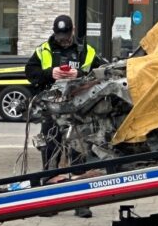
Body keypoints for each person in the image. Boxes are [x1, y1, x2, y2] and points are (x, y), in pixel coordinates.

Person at [24, 14, 104, 214]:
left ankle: (79, 204)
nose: (63, 39)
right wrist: (50, 73)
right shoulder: (43, 50)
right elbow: (29, 72)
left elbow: (102, 71)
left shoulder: (86, 51)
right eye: (59, 35)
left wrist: (80, 75)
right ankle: (50, 202)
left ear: (73, 31)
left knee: (78, 154)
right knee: (51, 150)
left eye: (66, 35)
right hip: (51, 108)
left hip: (77, 110)